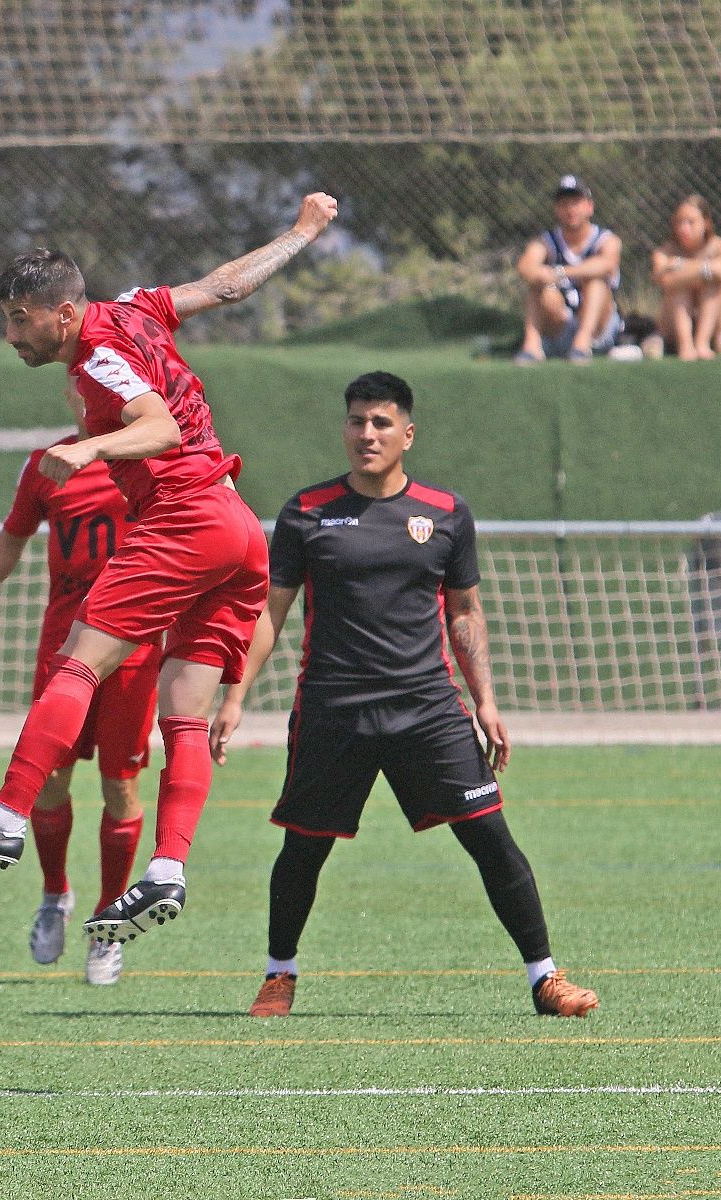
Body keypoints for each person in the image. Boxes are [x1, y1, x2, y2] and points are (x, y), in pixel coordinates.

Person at [0, 191, 341, 948]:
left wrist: (90, 449)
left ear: (62, 313)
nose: (9, 334)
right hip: (236, 528)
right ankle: (166, 868)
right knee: (186, 712)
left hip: (185, 515)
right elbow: (227, 285)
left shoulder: (96, 362)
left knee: (77, 667)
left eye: (19, 318)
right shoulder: (134, 307)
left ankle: (4, 817)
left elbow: (157, 424)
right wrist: (302, 231)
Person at [210, 371, 599, 1021]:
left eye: (381, 422)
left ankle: (546, 978)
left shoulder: (445, 513)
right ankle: (279, 976)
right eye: (357, 421)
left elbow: (465, 614)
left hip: (427, 707)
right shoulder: (307, 513)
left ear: (407, 434)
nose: (367, 433)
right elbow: (270, 614)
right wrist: (234, 696)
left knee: (491, 838)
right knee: (304, 845)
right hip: (334, 709)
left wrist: (487, 701)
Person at [0, 404, 160, 986]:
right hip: (66, 643)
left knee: (122, 784)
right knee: (51, 779)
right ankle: (55, 893)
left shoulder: (156, 456)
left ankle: (109, 922)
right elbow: (12, 538)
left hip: (135, 648)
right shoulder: (47, 463)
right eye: (80, 378)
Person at [513, 175, 623, 365]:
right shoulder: (547, 241)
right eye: (564, 204)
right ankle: (531, 346)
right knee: (537, 285)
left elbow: (607, 264)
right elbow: (525, 266)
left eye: (576, 203)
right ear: (557, 210)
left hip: (598, 333)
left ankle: (581, 346)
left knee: (596, 281)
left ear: (589, 207)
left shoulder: (606, 240)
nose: (570, 209)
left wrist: (560, 272)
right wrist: (540, 275)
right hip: (561, 330)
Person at [647, 194, 721, 361]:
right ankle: (685, 345)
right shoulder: (664, 252)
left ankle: (702, 343)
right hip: (675, 328)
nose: (684, 228)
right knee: (679, 285)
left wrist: (680, 265)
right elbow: (665, 281)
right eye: (679, 222)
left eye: (691, 222)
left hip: (717, 326)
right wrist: (706, 269)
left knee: (711, 283)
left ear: (706, 222)